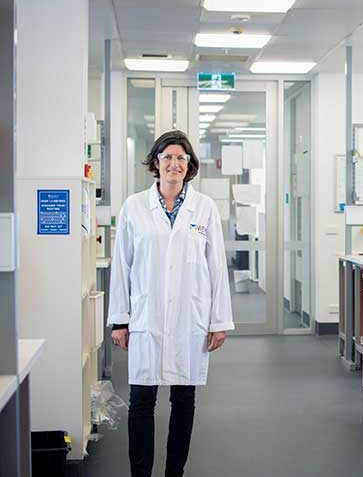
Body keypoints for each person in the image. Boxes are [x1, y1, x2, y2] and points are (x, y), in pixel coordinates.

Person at [108, 130, 234, 477]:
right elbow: (122, 266)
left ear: (189, 165)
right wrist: (120, 319)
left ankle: (174, 472)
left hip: (188, 318)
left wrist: (218, 321)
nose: (174, 164)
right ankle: (140, 473)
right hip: (146, 317)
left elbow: (216, 266)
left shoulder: (204, 208)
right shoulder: (134, 206)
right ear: (156, 162)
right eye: (167, 157)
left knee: (183, 400)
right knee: (141, 401)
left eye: (181, 158)